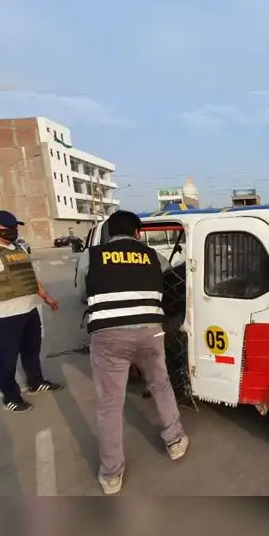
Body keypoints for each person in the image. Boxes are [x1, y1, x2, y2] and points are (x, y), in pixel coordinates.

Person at [85, 210, 189, 495]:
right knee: (160, 385)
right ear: (137, 234)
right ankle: (175, 441)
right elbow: (169, 277)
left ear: (108, 233)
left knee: (109, 404)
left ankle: (111, 474)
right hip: (149, 332)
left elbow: (85, 285)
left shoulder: (92, 256)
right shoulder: (152, 255)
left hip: (108, 336)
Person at [0, 210, 63, 413]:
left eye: (15, 227)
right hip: (3, 316)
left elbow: (30, 277)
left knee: (31, 352)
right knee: (7, 360)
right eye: (7, 228)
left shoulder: (17, 247)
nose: (13, 231)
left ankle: (36, 382)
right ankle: (10, 397)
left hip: (29, 310)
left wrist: (46, 297)